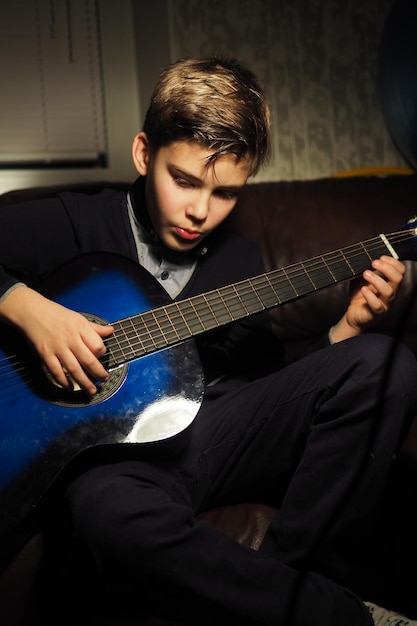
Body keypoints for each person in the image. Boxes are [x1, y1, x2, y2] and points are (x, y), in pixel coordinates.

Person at [0, 56, 416, 626]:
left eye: (225, 194)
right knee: (103, 514)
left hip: (204, 436)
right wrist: (27, 308)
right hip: (111, 463)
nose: (200, 211)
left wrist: (347, 329)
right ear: (145, 154)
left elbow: (272, 392)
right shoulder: (78, 223)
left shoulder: (241, 262)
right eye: (184, 180)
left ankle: (295, 592)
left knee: (383, 363)